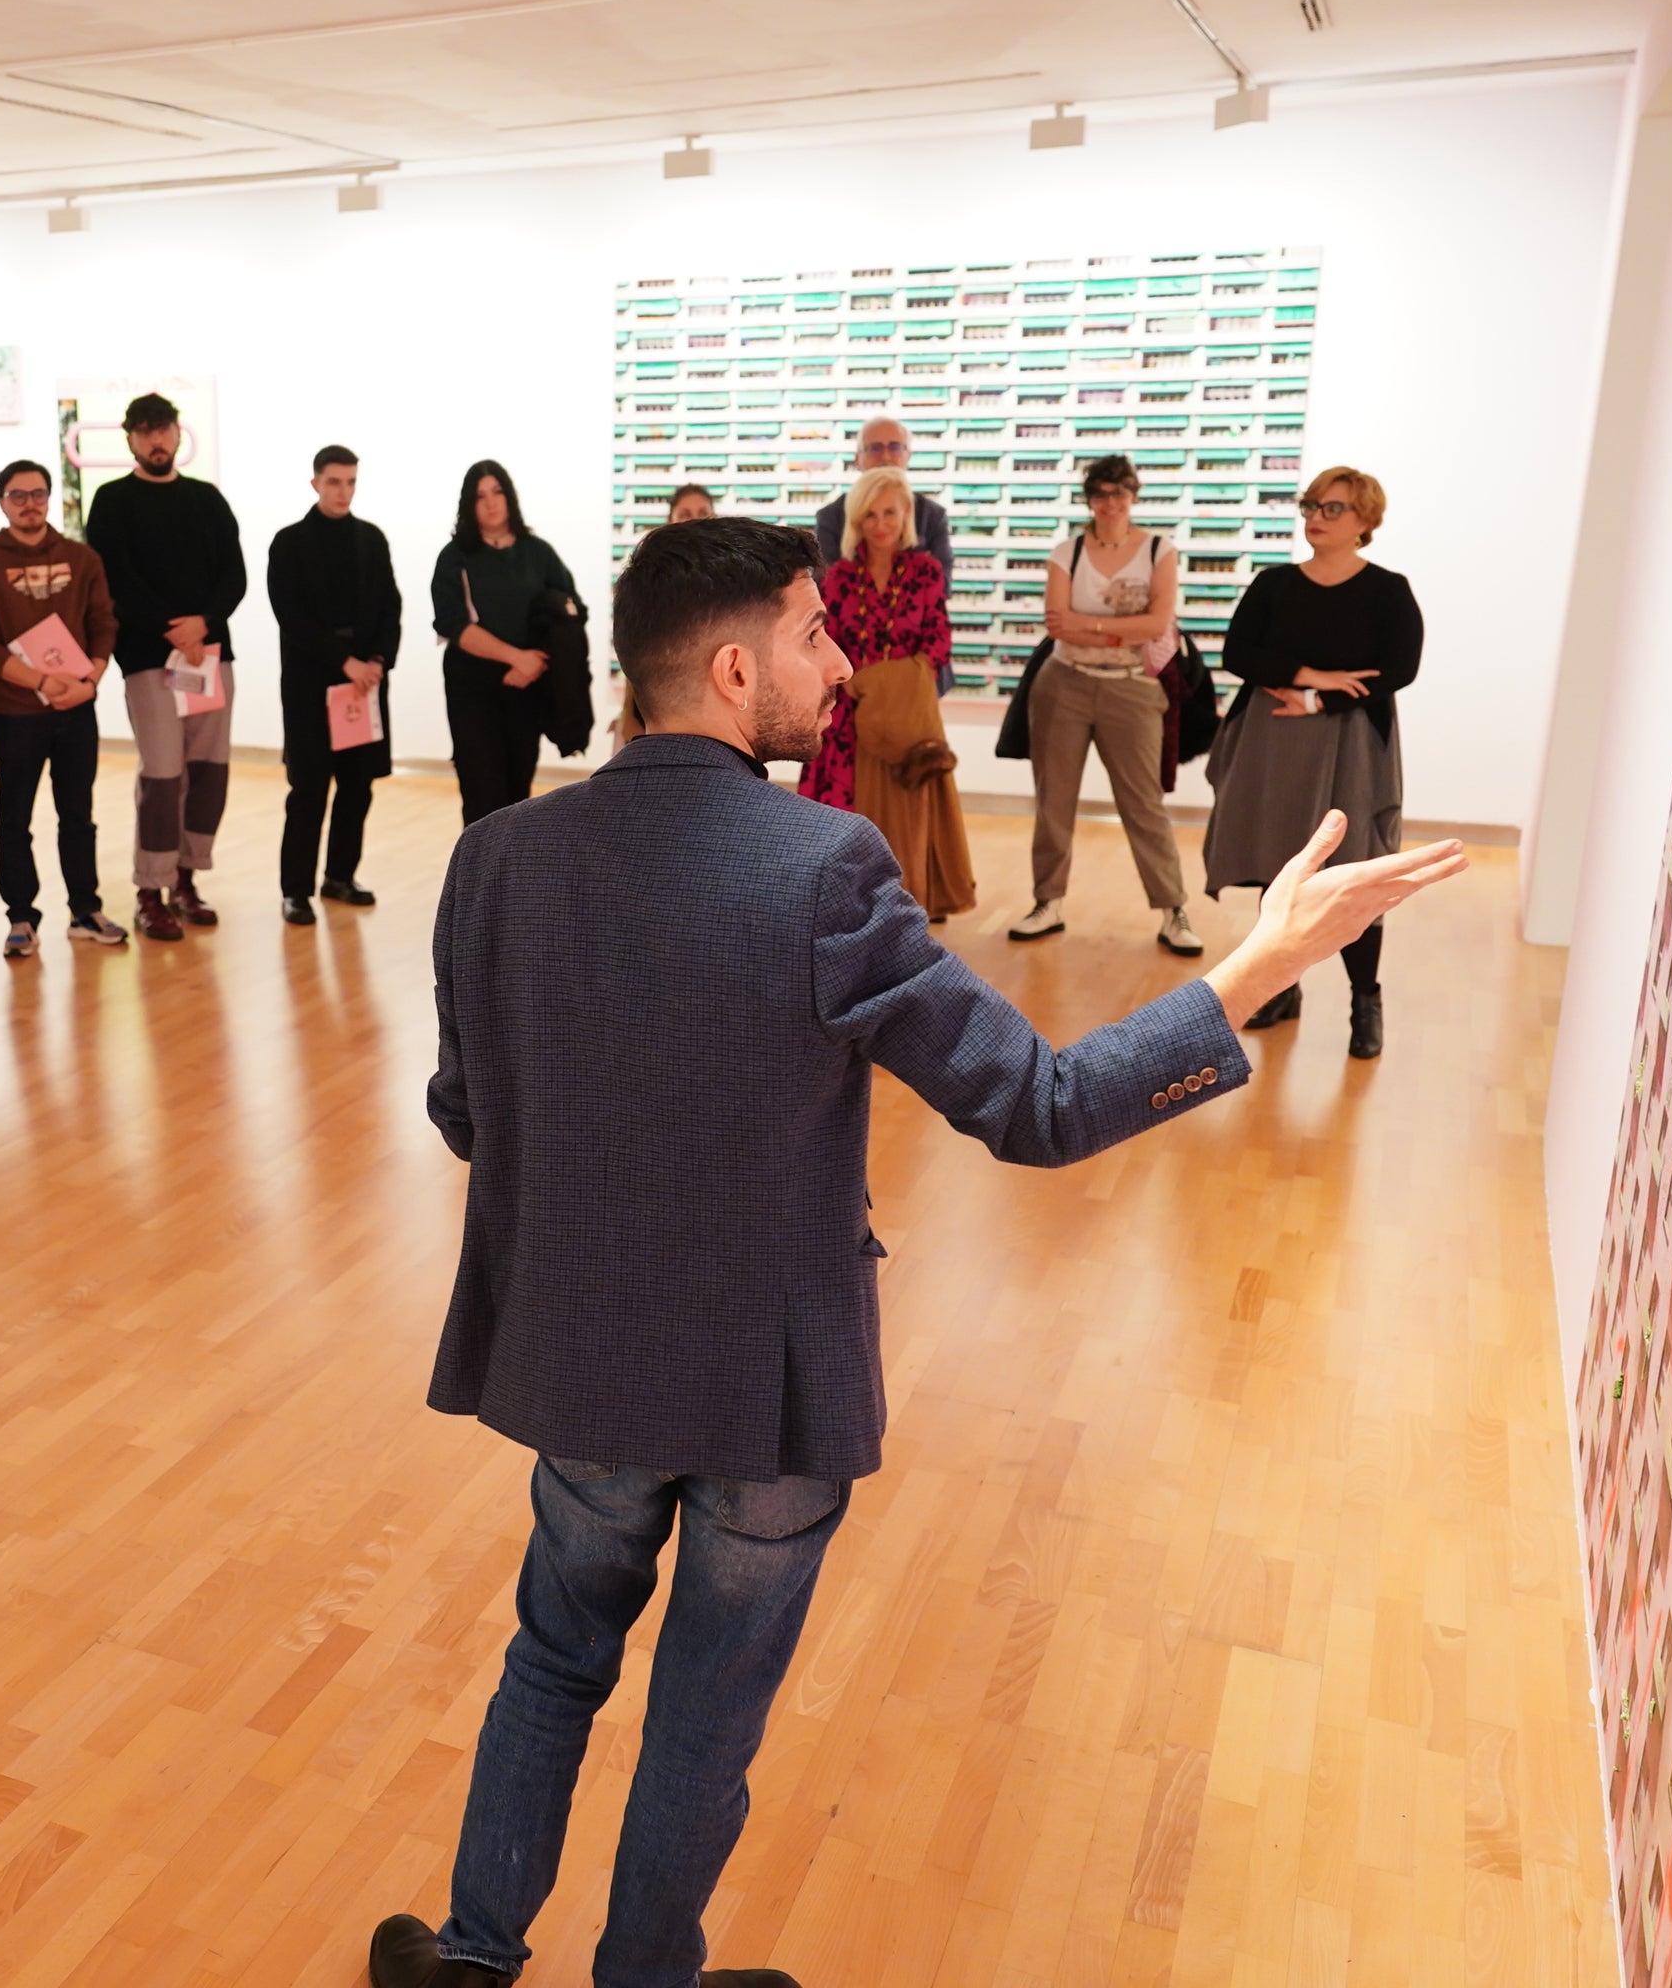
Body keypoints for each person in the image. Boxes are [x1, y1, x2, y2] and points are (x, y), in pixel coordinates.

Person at [368, 515, 1468, 1988]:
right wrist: (1260, 961)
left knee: (554, 1657)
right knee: (705, 1713)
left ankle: (474, 1954)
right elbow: (1040, 1104)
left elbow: (464, 1115)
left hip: (578, 1364)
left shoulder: (494, 861)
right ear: (737, 667)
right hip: (765, 1397)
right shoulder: (824, 866)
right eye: (819, 638)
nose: (844, 667)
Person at [1203, 466, 1424, 1060]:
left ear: (1365, 521)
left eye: (1332, 508)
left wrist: (1317, 699)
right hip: (1274, 740)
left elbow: (1397, 669)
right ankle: (1281, 988)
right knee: (1281, 861)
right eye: (1310, 506)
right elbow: (1239, 652)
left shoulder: (1388, 590)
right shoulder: (1274, 583)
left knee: (1356, 869)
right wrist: (1310, 678)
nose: (1315, 518)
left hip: (1350, 743)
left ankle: (1364, 1000)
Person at [1017, 454, 1202, 955]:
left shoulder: (1159, 550)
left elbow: (1158, 623)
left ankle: (1173, 910)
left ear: (1133, 495)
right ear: (1089, 499)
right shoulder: (1067, 551)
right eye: (1100, 494)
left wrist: (1090, 625)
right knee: (1054, 799)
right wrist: (1122, 630)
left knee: (1143, 802)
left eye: (1119, 493)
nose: (1110, 503)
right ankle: (1047, 902)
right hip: (1064, 684)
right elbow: (1056, 624)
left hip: (1133, 687)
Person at [84, 393, 248, 942]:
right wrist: (172, 628)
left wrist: (203, 622)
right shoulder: (111, 501)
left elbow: (234, 575)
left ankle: (186, 878)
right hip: (149, 659)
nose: (157, 441)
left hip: (209, 655)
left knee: (208, 771)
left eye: (165, 430)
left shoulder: (207, 500)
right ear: (131, 438)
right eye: (145, 432)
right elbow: (116, 580)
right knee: (161, 774)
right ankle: (149, 890)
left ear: (178, 434)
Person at [0, 457, 127, 958]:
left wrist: (90, 681)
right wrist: (41, 681)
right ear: (3, 502)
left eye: (37, 494)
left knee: (78, 814)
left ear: (49, 498)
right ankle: (21, 918)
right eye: (18, 495)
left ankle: (85, 910)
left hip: (76, 708)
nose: (29, 503)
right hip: (16, 713)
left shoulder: (82, 558)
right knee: (14, 818)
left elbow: (104, 624)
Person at [808, 466, 974, 919]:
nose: (880, 523)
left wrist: (880, 682)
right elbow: (828, 643)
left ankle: (908, 908)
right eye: (870, 514)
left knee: (907, 816)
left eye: (890, 513)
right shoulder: (839, 579)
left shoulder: (925, 573)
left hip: (904, 720)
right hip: (850, 724)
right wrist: (858, 685)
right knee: (854, 817)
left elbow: (937, 642)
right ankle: (852, 911)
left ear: (906, 517)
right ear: (856, 520)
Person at [267, 444, 401, 924]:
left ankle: (339, 876)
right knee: (308, 788)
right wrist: (345, 662)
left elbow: (390, 605)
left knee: (357, 785)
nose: (343, 491)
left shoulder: (372, 539)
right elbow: (292, 617)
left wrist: (377, 661)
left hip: (363, 683)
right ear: (315, 483)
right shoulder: (288, 543)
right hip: (311, 685)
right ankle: (295, 890)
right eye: (334, 482)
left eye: (350, 482)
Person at [431, 460, 578, 824]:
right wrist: (516, 658)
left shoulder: (538, 553)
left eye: (497, 492)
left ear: (509, 496)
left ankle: (510, 879)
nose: (491, 502)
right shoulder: (455, 557)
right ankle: (477, 880)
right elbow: (454, 625)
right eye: (480, 496)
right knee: (482, 795)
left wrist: (535, 663)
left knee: (517, 795)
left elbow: (569, 611)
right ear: (468, 503)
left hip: (525, 690)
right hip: (473, 691)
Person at [618, 486, 719, 744]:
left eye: (703, 513)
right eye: (685, 513)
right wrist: (628, 714)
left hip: (715, 706)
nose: (695, 520)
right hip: (658, 706)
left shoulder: (732, 578)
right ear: (670, 521)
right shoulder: (650, 576)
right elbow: (636, 649)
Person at [811, 417, 954, 578]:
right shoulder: (831, 517)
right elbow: (823, 587)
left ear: (909, 455)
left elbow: (941, 586)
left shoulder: (933, 516)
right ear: (857, 458)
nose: (885, 456)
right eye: (875, 448)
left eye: (895, 447)